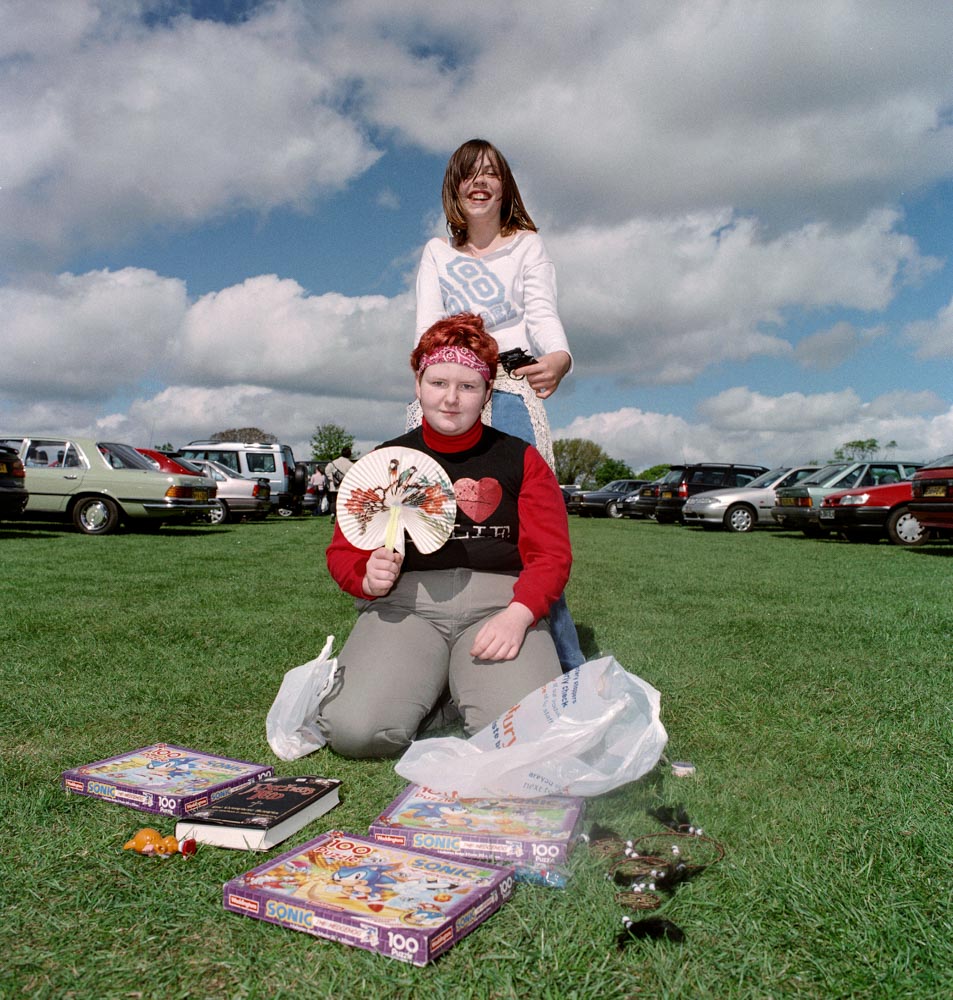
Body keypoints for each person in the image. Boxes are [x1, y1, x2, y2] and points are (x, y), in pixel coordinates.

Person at [321, 313, 571, 759]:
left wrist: (519, 615)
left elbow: (551, 555)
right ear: (417, 386)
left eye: (468, 386)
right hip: (406, 607)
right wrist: (365, 575)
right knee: (355, 733)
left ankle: (462, 689)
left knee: (526, 740)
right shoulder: (385, 459)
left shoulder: (521, 458)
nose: (451, 399)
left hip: (499, 607)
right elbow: (344, 550)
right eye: (438, 383)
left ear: (487, 393)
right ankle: (438, 698)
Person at [414, 137, 584, 671]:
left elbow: (542, 311)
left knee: (529, 527)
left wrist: (560, 357)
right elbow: (426, 330)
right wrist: (433, 392)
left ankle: (564, 663)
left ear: (504, 186)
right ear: (454, 190)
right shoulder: (437, 254)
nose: (480, 182)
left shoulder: (527, 246)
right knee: (430, 520)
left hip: (510, 388)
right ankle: (430, 660)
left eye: (491, 173)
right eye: (469, 174)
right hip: (450, 390)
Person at [324, 446, 353, 522]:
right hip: (344, 486)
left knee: (334, 501)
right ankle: (343, 517)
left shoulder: (333, 462)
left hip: (334, 485)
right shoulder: (350, 464)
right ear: (349, 454)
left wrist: (332, 479)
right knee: (344, 501)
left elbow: (327, 470)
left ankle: (333, 514)